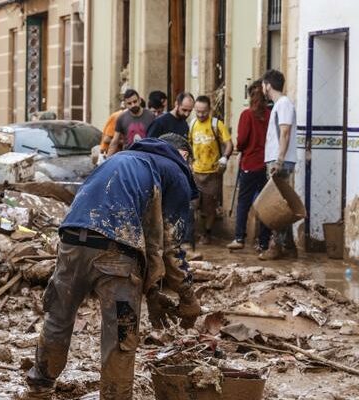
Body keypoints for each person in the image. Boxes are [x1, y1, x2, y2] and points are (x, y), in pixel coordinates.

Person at [20, 135, 201, 400]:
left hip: (71, 239)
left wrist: (152, 292)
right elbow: (170, 243)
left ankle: (39, 388)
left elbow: (151, 238)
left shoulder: (120, 159)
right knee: (121, 335)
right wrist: (188, 296)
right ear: (184, 154)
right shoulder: (175, 171)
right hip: (117, 251)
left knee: (58, 317)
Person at [259, 69, 298, 260]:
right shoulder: (279, 105)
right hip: (277, 159)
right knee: (282, 203)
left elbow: (285, 132)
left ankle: (276, 246)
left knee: (276, 205)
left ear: (268, 85)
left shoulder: (283, 104)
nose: (262, 88)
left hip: (279, 161)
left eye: (263, 85)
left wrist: (279, 160)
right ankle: (289, 246)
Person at [227, 80, 271, 251]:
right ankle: (264, 242)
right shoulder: (269, 114)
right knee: (265, 204)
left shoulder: (247, 115)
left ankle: (239, 238)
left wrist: (241, 148)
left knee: (243, 202)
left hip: (250, 164)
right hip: (266, 165)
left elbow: (242, 140)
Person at [188, 95, 233, 244]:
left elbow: (229, 144)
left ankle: (206, 233)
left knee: (209, 206)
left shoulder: (216, 124)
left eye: (204, 112)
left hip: (212, 173)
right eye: (198, 111)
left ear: (209, 110)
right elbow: (187, 145)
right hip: (195, 172)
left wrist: (225, 157)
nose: (201, 115)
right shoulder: (192, 124)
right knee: (192, 205)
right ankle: (191, 234)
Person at [106, 89, 156, 157]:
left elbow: (156, 139)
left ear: (140, 100)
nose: (133, 105)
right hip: (128, 157)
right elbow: (115, 141)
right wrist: (108, 160)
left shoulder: (151, 116)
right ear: (125, 104)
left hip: (147, 155)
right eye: (129, 103)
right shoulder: (121, 118)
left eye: (135, 101)